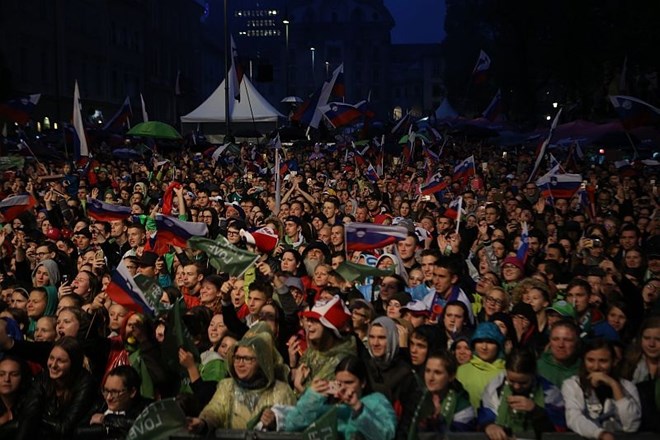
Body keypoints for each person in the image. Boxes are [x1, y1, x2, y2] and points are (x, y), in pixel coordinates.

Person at [187, 331, 296, 432]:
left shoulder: (281, 391)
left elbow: (295, 422)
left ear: (261, 361)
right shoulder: (227, 386)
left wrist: (277, 420)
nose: (240, 364)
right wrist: (203, 422)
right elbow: (215, 409)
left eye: (247, 359)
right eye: (237, 358)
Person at [279, 355, 396, 439]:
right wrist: (312, 397)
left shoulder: (376, 401)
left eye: (349, 383)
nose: (343, 388)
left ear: (363, 383)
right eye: (339, 383)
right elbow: (291, 425)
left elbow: (387, 435)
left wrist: (358, 408)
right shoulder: (331, 407)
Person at [17, 337, 96, 439]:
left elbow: (64, 428)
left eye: (60, 361)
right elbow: (27, 418)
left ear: (74, 363)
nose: (53, 365)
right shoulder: (42, 379)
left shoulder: (85, 383)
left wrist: (35, 416)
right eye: (51, 358)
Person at [562, 338, 642, 439]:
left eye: (603, 361)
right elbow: (574, 418)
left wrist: (614, 386)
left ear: (614, 362)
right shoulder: (572, 385)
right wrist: (600, 434)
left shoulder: (627, 386)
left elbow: (631, 426)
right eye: (590, 360)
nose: (596, 367)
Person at [479, 348, 566, 440]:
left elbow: (559, 430)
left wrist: (536, 411)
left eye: (523, 382)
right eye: (511, 381)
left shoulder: (550, 392)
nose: (517, 386)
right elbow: (486, 412)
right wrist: (489, 425)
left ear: (533, 374)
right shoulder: (495, 387)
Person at [364, 316, 420, 438]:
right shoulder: (364, 367)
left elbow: (409, 417)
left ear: (392, 339)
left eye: (382, 338)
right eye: (372, 337)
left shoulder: (405, 373)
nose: (375, 343)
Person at [410, 351, 475, 437]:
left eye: (437, 372)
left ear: (451, 376)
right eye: (427, 371)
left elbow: (459, 436)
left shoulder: (462, 406)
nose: (431, 377)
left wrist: (438, 421)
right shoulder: (414, 399)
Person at [77, 365, 151, 439]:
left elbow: (140, 425)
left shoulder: (147, 408)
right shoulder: (101, 404)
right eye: (106, 390)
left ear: (132, 392)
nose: (108, 398)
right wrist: (104, 430)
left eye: (115, 392)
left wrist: (105, 419)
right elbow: (79, 430)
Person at [456, 321, 506, 408]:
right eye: (479, 341)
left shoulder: (506, 373)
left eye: (490, 342)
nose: (484, 347)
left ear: (498, 345)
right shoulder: (461, 372)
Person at [537, 319, 581, 388]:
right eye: (555, 339)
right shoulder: (537, 369)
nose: (561, 345)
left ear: (577, 342)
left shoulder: (584, 370)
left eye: (567, 340)